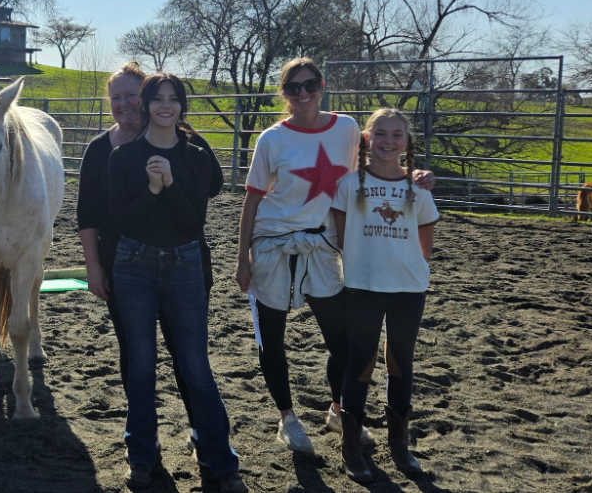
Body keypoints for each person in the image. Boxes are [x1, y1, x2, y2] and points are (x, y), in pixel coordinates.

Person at [235, 57, 432, 455]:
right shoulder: (271, 140)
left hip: (323, 247)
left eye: (310, 84)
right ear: (284, 93)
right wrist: (243, 257)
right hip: (274, 243)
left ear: (322, 85)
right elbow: (252, 201)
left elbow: (382, 155)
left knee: (342, 342)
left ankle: (338, 409)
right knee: (272, 338)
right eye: (294, 87)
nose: (303, 93)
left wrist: (413, 176)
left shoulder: (345, 128)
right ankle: (287, 418)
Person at [108, 74, 246, 493]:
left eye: (173, 99)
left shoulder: (197, 158)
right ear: (146, 104)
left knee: (195, 365)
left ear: (182, 106)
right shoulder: (123, 157)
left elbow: (193, 221)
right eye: (157, 99)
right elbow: (121, 220)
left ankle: (220, 460)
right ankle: (142, 457)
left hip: (185, 263)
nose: (164, 106)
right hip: (133, 264)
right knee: (142, 366)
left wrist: (167, 187)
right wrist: (150, 190)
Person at [77, 63, 222, 451]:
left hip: (183, 259)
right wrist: (93, 267)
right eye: (116, 98)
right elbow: (87, 217)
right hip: (123, 265)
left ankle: (199, 429)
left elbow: (210, 189)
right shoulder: (100, 151)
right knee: (136, 355)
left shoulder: (183, 141)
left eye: (131, 95)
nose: (125, 104)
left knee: (189, 354)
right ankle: (145, 441)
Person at [330, 108, 438, 483]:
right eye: (381, 134)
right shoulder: (349, 185)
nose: (389, 142)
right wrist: (365, 266)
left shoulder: (418, 188)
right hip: (363, 287)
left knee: (400, 363)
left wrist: (404, 267)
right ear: (367, 138)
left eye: (397, 135)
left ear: (406, 142)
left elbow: (426, 241)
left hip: (408, 288)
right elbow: (342, 236)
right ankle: (351, 446)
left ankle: (399, 443)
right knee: (360, 362)